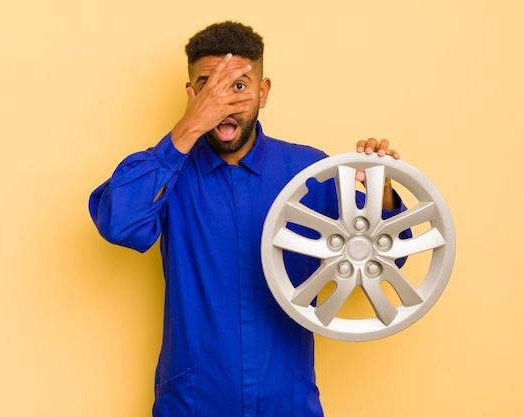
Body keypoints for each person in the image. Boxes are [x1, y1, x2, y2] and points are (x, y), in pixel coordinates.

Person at [89, 21, 408, 417]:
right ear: (191, 96)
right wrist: (187, 129)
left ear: (263, 91)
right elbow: (120, 225)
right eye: (207, 87)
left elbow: (386, 261)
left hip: (287, 401)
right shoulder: (167, 172)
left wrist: (384, 191)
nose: (222, 101)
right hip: (193, 402)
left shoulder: (308, 172)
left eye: (238, 86)